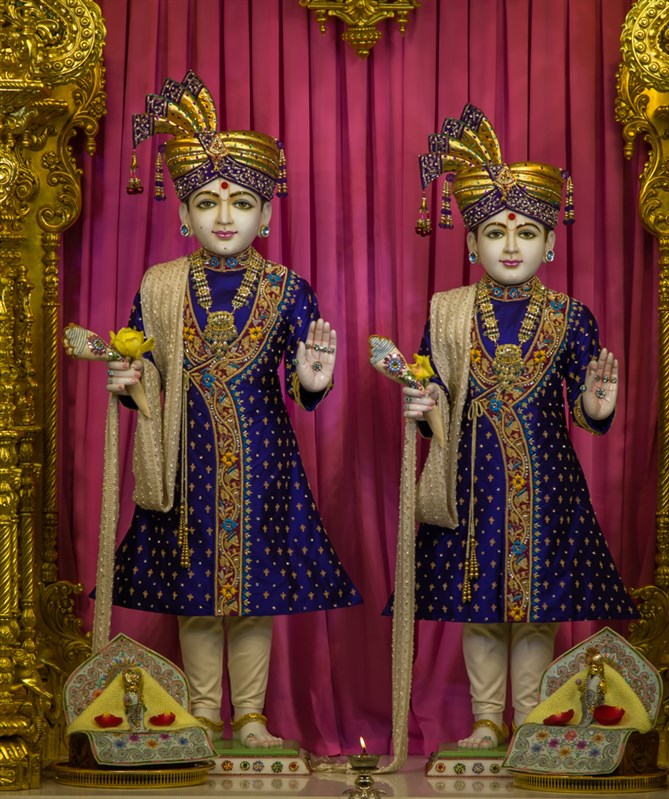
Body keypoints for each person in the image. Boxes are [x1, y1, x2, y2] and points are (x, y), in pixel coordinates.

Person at [103, 71, 361, 748]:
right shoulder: (160, 284)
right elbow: (143, 367)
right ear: (183, 214)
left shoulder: (288, 288)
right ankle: (201, 713)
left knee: (254, 592)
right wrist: (127, 379)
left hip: (262, 462)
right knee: (193, 591)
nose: (224, 216)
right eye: (207, 202)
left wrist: (312, 379)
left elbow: (306, 386)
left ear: (266, 215)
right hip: (182, 460)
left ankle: (249, 716)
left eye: (241, 202)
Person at [402, 104, 638, 749]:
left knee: (538, 609)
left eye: (527, 233)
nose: (511, 247)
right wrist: (425, 405)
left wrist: (595, 406)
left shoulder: (571, 316)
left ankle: (531, 717)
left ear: (550, 244)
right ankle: (485, 720)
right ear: (470, 243)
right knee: (480, 606)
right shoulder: (447, 311)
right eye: (496, 234)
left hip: (548, 484)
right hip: (472, 480)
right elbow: (433, 391)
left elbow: (587, 410)